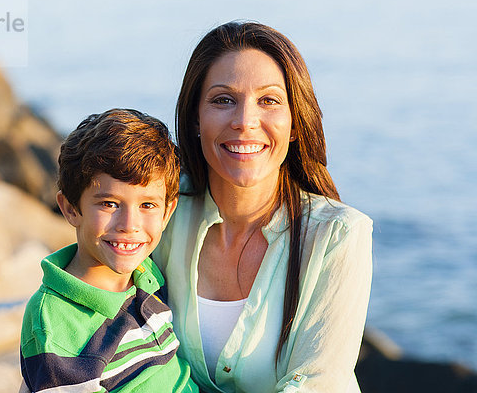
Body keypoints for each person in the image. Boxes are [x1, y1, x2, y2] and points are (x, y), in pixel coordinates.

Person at [153, 22, 373, 392]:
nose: (244, 122)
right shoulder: (161, 210)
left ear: (294, 124)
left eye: (268, 100)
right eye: (223, 100)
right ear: (195, 118)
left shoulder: (338, 236)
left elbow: (319, 383)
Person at [19, 109, 198, 392]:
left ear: (167, 212)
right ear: (70, 208)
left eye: (147, 205)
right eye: (109, 204)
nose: (130, 225)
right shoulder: (54, 321)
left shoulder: (145, 272)